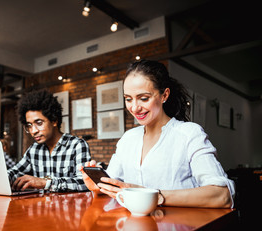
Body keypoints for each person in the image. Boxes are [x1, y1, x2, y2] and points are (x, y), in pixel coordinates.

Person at [80, 59, 235, 208]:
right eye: (128, 99)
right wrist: (96, 187)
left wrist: (153, 195)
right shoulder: (128, 139)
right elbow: (114, 189)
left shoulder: (189, 134)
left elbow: (222, 195)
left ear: (164, 95)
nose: (134, 108)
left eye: (144, 98)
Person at [8, 89, 91, 192]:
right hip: (41, 206)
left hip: (70, 207)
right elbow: (15, 172)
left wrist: (45, 183)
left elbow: (85, 183)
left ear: (54, 120)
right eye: (29, 125)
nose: (33, 131)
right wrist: (1, 178)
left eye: (39, 123)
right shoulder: (34, 149)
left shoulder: (77, 145)